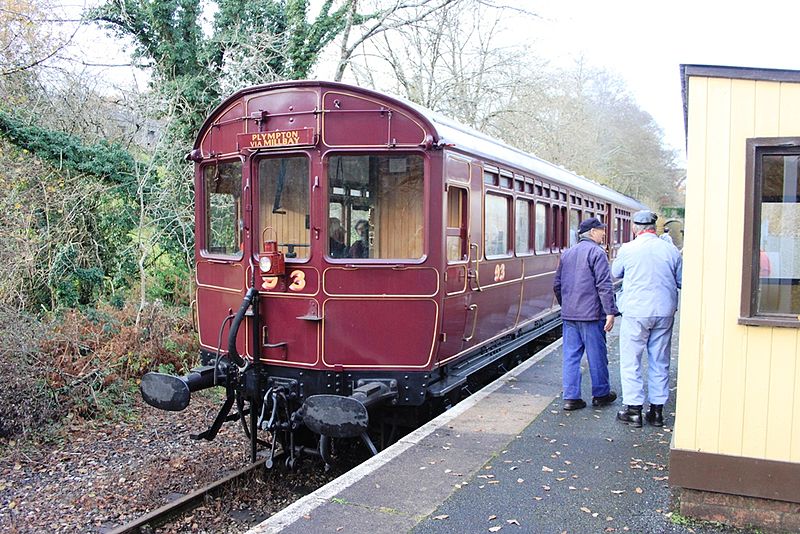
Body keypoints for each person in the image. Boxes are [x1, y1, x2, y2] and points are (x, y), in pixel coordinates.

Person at [612, 210, 682, 428]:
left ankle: (634, 410)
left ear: (635, 228)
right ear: (655, 227)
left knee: (631, 359)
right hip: (664, 311)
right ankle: (657, 411)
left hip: (636, 311)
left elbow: (616, 272)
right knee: (659, 359)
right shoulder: (670, 250)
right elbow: (681, 280)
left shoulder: (628, 249)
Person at [553, 217, 618, 411]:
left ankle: (571, 398)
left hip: (570, 315)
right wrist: (610, 312)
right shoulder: (597, 253)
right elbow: (604, 286)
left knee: (571, 355)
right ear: (592, 232)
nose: (603, 233)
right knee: (596, 355)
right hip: (591, 315)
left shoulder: (567, 253)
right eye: (600, 230)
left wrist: (567, 305)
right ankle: (601, 394)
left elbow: (557, 285)